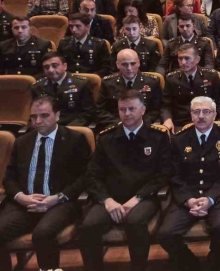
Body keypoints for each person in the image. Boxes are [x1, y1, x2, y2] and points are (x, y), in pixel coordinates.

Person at [80, 89, 172, 271]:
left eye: (131, 108)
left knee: (135, 222)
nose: (127, 113)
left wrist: (137, 198)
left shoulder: (157, 137)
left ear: (143, 110)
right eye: (122, 109)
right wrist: (107, 201)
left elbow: (163, 174)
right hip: (111, 198)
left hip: (144, 197)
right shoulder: (106, 138)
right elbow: (92, 175)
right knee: (88, 226)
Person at [0, 95, 92, 271]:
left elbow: (84, 177)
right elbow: (9, 178)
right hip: (25, 203)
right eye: (34, 117)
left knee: (42, 234)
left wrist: (57, 198)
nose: (38, 121)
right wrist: (22, 197)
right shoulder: (22, 142)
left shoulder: (75, 140)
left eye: (44, 115)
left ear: (57, 115)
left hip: (60, 202)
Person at [158, 96, 220, 271]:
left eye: (206, 112)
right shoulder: (179, 139)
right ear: (191, 115)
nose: (201, 116)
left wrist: (210, 198)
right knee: (166, 234)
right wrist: (188, 199)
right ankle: (191, 264)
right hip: (188, 196)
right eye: (196, 112)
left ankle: (214, 261)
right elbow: (174, 175)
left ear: (215, 115)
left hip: (218, 196)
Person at [161, 43, 220, 133]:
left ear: (197, 59)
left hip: (207, 122)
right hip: (181, 124)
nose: (183, 62)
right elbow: (166, 105)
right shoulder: (171, 79)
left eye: (187, 58)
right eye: (180, 58)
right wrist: (167, 120)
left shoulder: (211, 76)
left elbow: (219, 102)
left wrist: (217, 119)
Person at [99, 49, 162, 128]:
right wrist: (119, 124)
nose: (129, 68)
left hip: (143, 127)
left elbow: (156, 110)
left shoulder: (152, 82)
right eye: (124, 64)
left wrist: (139, 124)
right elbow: (100, 110)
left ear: (138, 63)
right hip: (115, 126)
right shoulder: (107, 83)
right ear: (117, 65)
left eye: (133, 64)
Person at [31, 52, 96, 126]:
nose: (51, 70)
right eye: (46, 67)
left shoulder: (81, 84)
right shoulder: (37, 87)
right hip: (46, 128)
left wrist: (67, 130)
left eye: (55, 66)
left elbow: (87, 113)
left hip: (73, 128)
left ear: (65, 66)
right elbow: (36, 113)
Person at [57, 12, 112, 76]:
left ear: (87, 27)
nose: (74, 30)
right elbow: (59, 64)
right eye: (71, 26)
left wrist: (92, 78)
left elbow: (106, 68)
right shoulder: (64, 43)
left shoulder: (99, 44)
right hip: (69, 80)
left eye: (78, 26)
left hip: (91, 81)